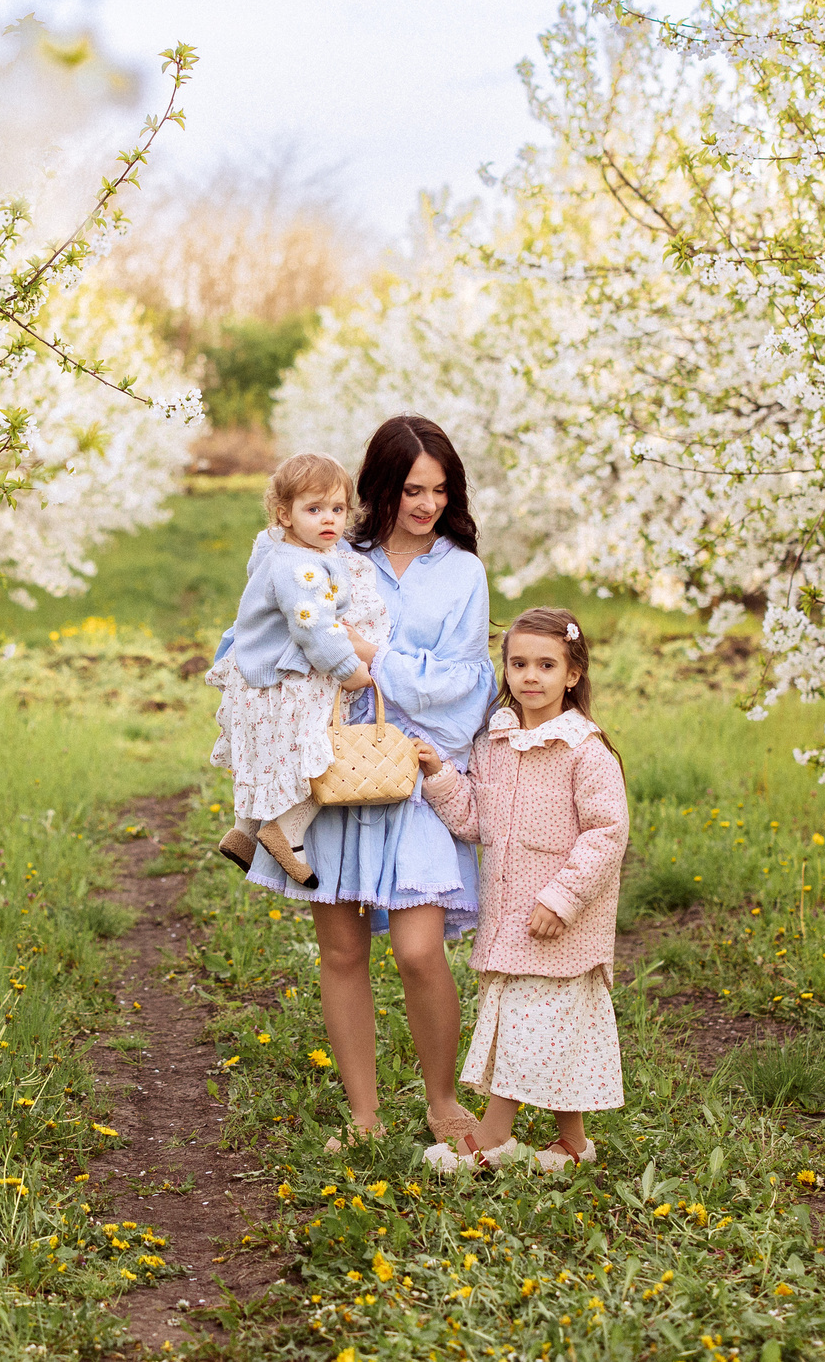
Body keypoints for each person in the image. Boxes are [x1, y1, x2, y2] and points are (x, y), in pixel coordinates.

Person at [241, 414, 492, 1155]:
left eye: (440, 491)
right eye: (413, 489)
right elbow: (268, 627)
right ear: (380, 486)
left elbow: (466, 688)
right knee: (343, 952)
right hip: (336, 770)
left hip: (410, 770)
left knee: (418, 949)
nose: (426, 505)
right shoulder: (329, 550)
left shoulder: (462, 571)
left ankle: (443, 1102)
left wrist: (378, 661)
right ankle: (364, 1116)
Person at [416, 605, 630, 1173]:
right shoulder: (494, 743)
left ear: (572, 674)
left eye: (546, 665)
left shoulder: (584, 749)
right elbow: (473, 822)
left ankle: (490, 1138)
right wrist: (438, 772)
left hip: (559, 918)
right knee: (554, 1029)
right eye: (518, 664)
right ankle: (574, 1145)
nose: (530, 677)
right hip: (508, 916)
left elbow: (607, 833)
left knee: (528, 1024)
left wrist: (561, 898)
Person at [207, 453, 386, 885]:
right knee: (318, 754)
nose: (329, 521)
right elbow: (315, 629)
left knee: (267, 757)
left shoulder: (279, 548)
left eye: (337, 509)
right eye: (314, 509)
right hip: (286, 678)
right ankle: (286, 833)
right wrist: (349, 669)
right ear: (285, 515)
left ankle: (245, 831)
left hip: (259, 675)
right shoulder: (300, 565)